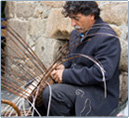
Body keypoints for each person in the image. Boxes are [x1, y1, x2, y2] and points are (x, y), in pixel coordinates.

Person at [42, 1, 121, 116]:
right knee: (35, 90)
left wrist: (65, 75)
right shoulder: (76, 34)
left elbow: (101, 73)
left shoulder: (108, 38)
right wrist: (64, 65)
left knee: (52, 93)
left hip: (97, 94)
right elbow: (73, 58)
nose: (73, 24)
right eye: (71, 19)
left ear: (92, 15)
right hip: (79, 86)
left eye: (77, 18)